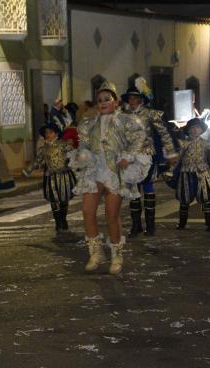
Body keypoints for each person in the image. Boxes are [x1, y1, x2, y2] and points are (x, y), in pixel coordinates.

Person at [72, 81, 149, 274]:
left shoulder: (126, 120)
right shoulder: (89, 123)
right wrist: (83, 154)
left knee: (111, 214)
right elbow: (83, 143)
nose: (103, 103)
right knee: (87, 211)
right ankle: (96, 252)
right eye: (99, 100)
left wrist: (128, 156)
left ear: (115, 102)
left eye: (107, 99)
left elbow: (140, 138)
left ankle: (116, 254)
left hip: (115, 172)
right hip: (95, 170)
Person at [121, 77, 179, 237]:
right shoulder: (123, 116)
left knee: (147, 187)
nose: (132, 101)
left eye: (135, 98)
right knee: (133, 189)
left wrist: (170, 152)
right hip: (130, 157)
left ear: (141, 99)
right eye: (130, 98)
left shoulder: (151, 114)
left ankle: (150, 225)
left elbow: (164, 134)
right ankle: (136, 225)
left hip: (147, 155)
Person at [24, 124, 77, 232]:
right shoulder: (44, 149)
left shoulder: (64, 144)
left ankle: (63, 220)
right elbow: (37, 161)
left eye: (51, 132)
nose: (48, 135)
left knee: (63, 200)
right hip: (51, 178)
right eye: (47, 133)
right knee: (54, 201)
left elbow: (75, 153)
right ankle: (58, 222)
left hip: (64, 177)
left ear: (56, 133)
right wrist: (28, 170)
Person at [173, 118, 210, 232]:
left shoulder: (206, 143)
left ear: (201, 130)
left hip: (202, 173)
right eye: (192, 128)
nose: (195, 130)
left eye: (197, 128)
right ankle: (182, 222)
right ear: (189, 130)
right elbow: (177, 158)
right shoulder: (183, 143)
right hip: (186, 173)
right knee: (184, 198)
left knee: (206, 197)